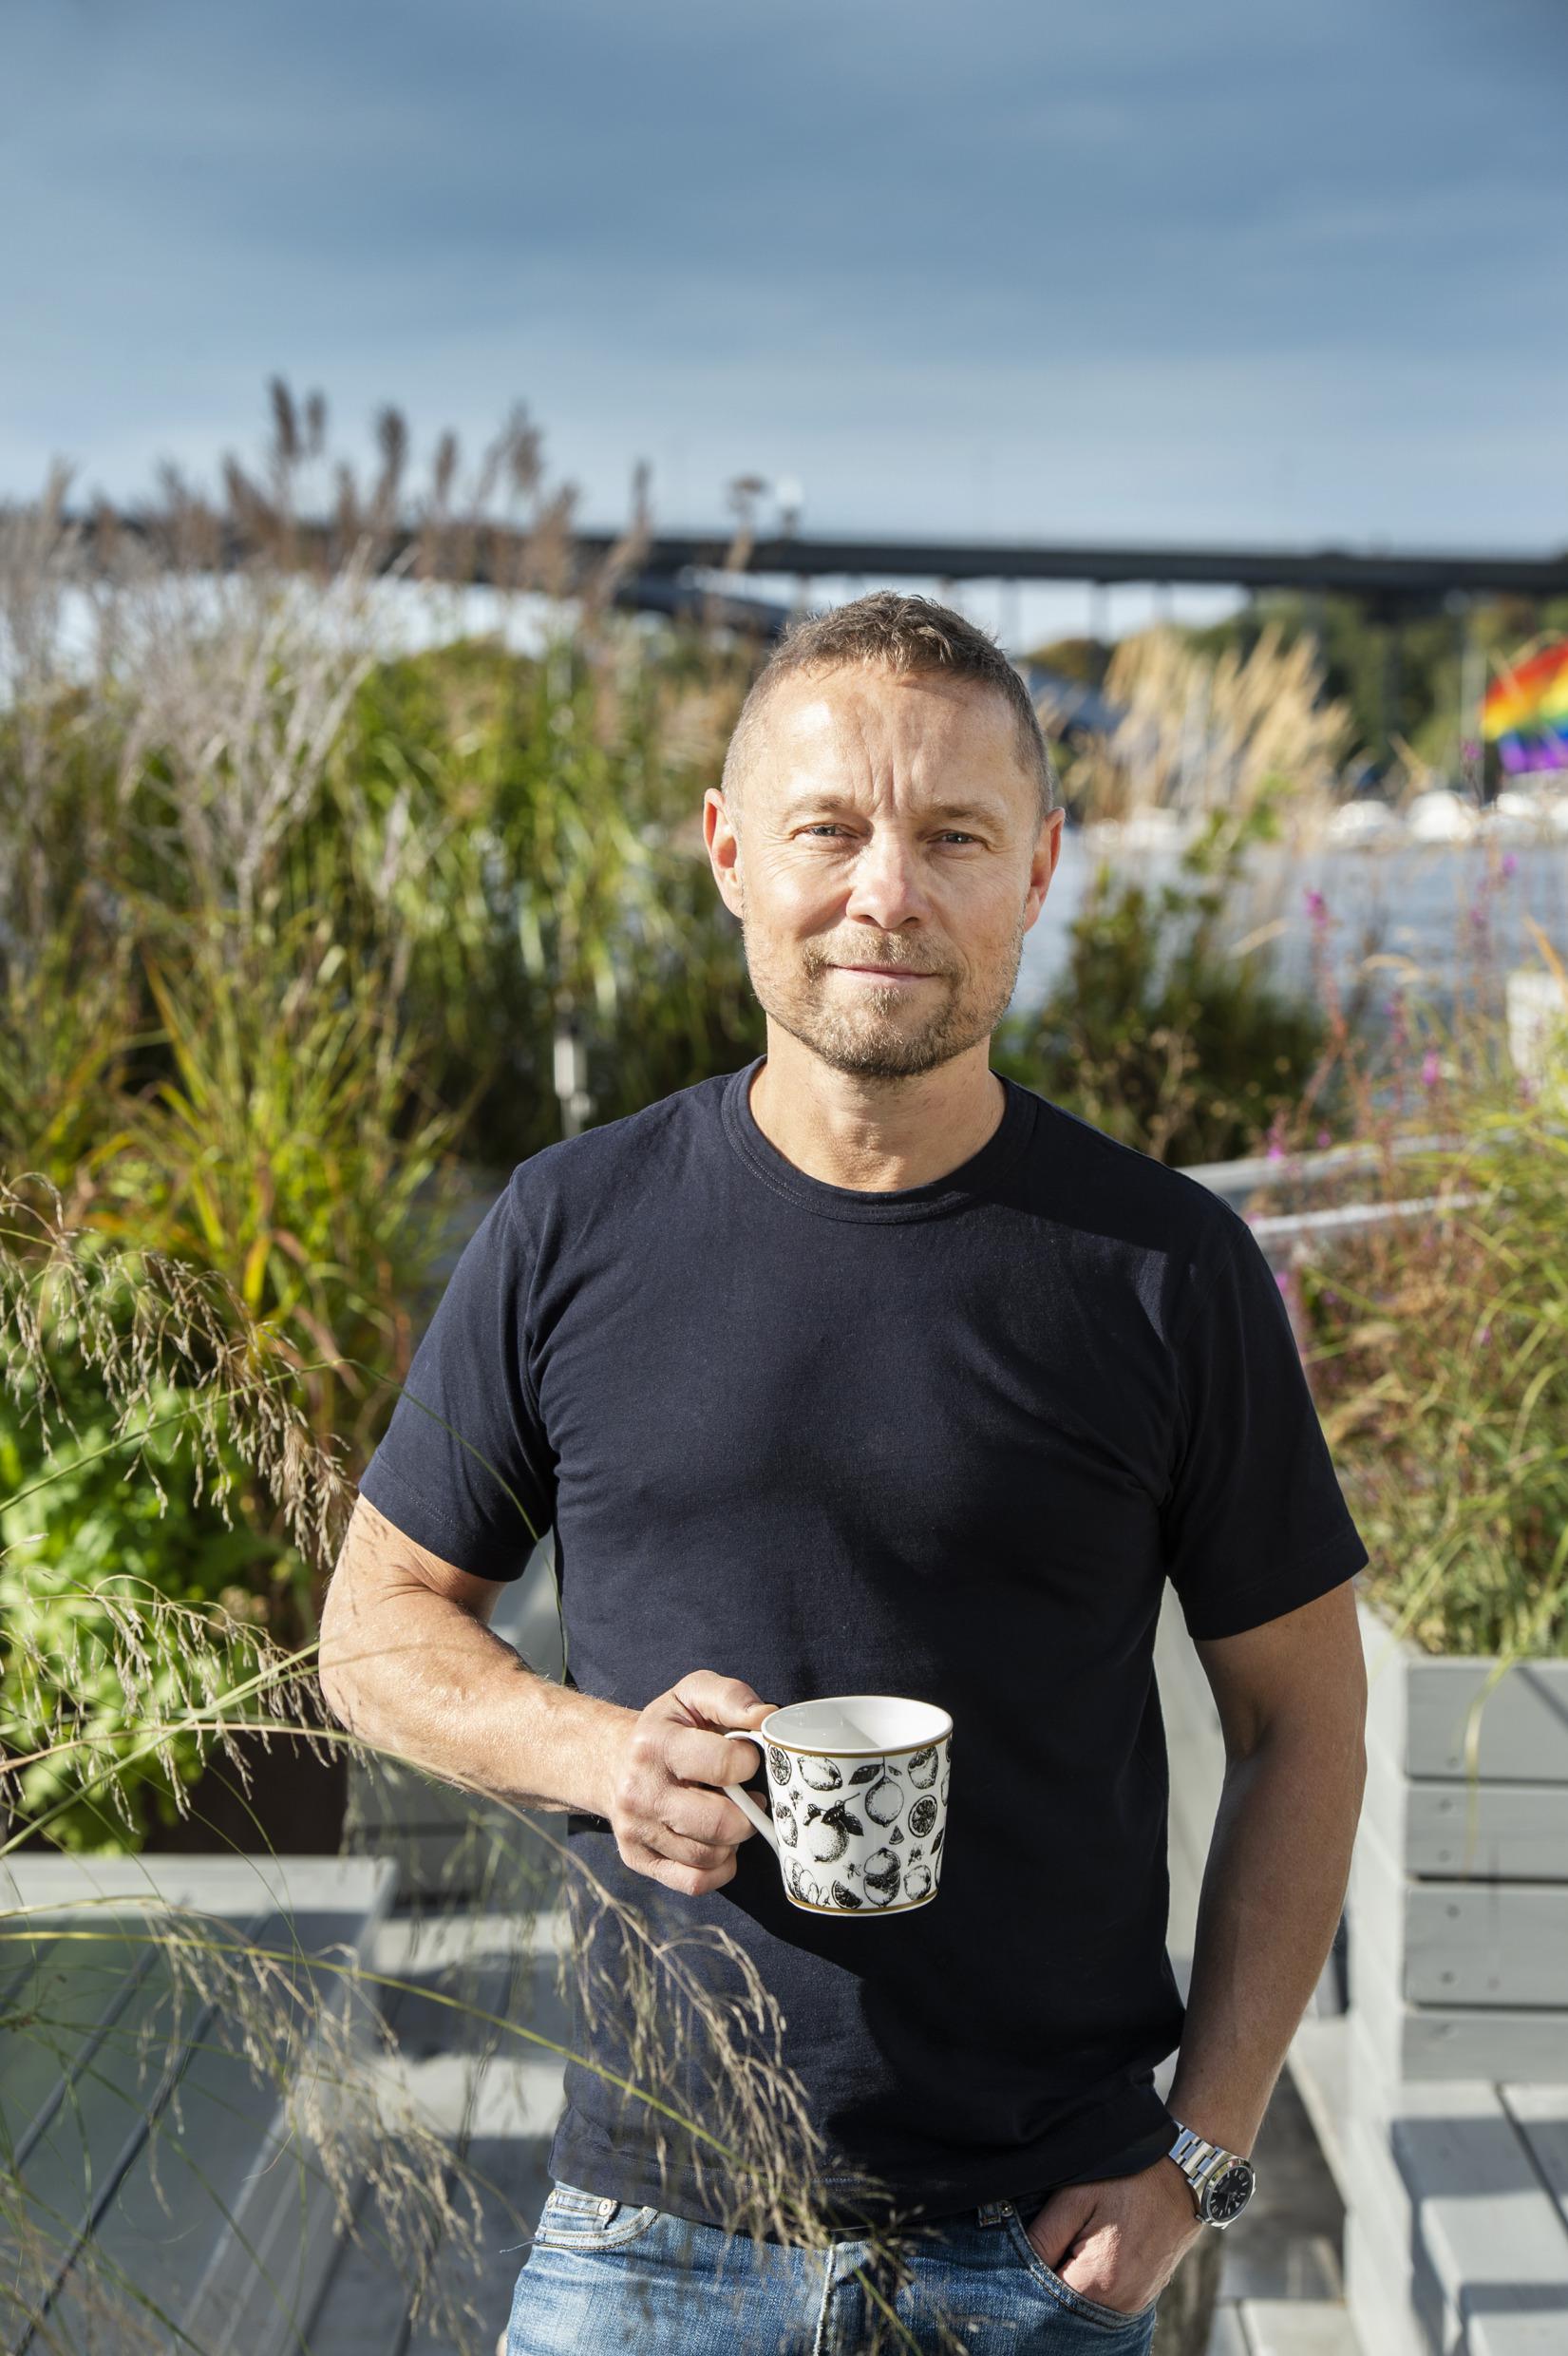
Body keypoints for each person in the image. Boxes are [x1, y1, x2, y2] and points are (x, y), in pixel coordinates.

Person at [320, 592, 1370, 2354]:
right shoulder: (571, 1227)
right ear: (731, 853)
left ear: (1038, 869)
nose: (888, 890)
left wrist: (1206, 2150)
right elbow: (375, 1633)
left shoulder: (1165, 1268)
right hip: (644, 2223)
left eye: (955, 835)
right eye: (831, 828)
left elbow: (1306, 1721)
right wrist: (605, 1753)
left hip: (1043, 2247)